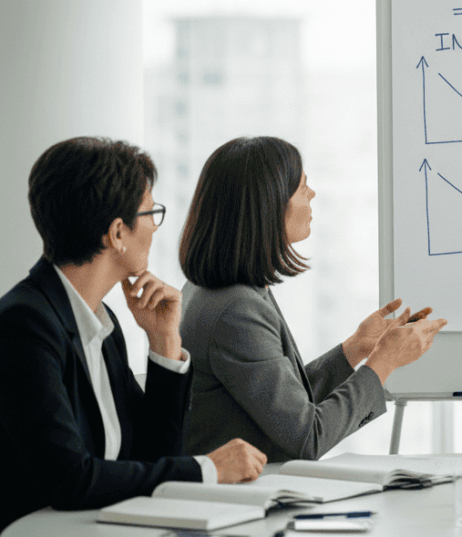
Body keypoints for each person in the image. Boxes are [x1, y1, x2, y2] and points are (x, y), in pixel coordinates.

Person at [0, 137, 267, 530]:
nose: (155, 229)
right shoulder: (24, 325)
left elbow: (150, 455)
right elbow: (70, 480)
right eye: (150, 213)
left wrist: (163, 344)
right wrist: (207, 469)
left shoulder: (101, 320)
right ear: (117, 233)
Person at [179, 136, 447, 461]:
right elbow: (308, 437)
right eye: (303, 186)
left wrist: (355, 349)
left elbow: (282, 408)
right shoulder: (238, 309)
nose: (312, 194)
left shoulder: (222, 291)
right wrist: (384, 361)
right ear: (272, 203)